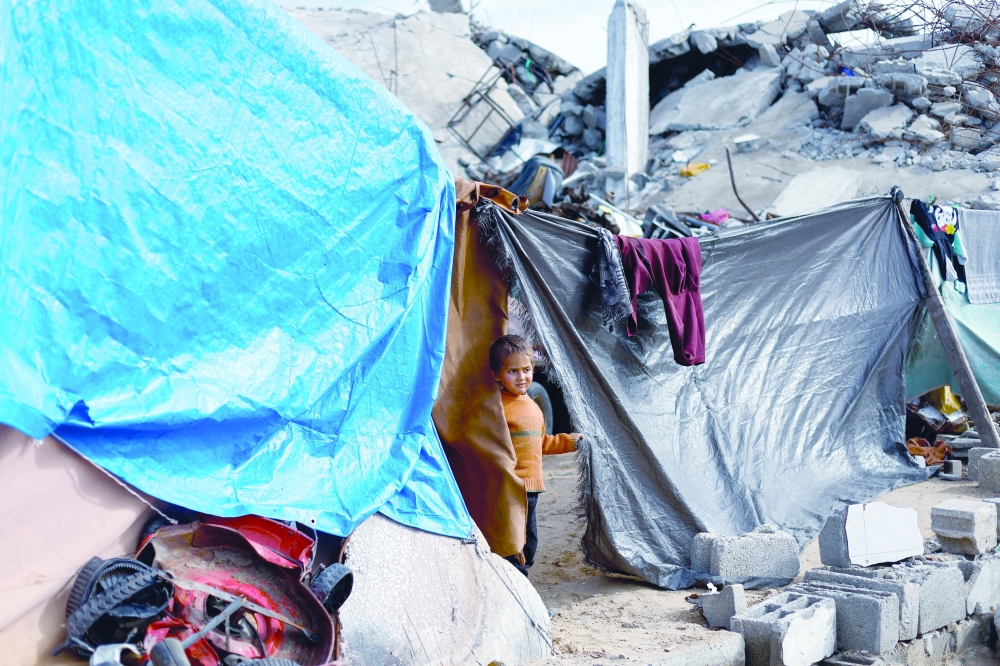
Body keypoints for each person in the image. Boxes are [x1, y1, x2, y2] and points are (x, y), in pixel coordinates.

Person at [489, 334, 583, 576]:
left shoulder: (532, 405)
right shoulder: (496, 407)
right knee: (512, 540)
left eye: (527, 369)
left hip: (531, 489)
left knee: (529, 541)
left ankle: (522, 578)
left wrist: (571, 442)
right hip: (509, 487)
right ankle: (516, 583)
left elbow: (540, 443)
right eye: (513, 371)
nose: (522, 377)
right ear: (496, 374)